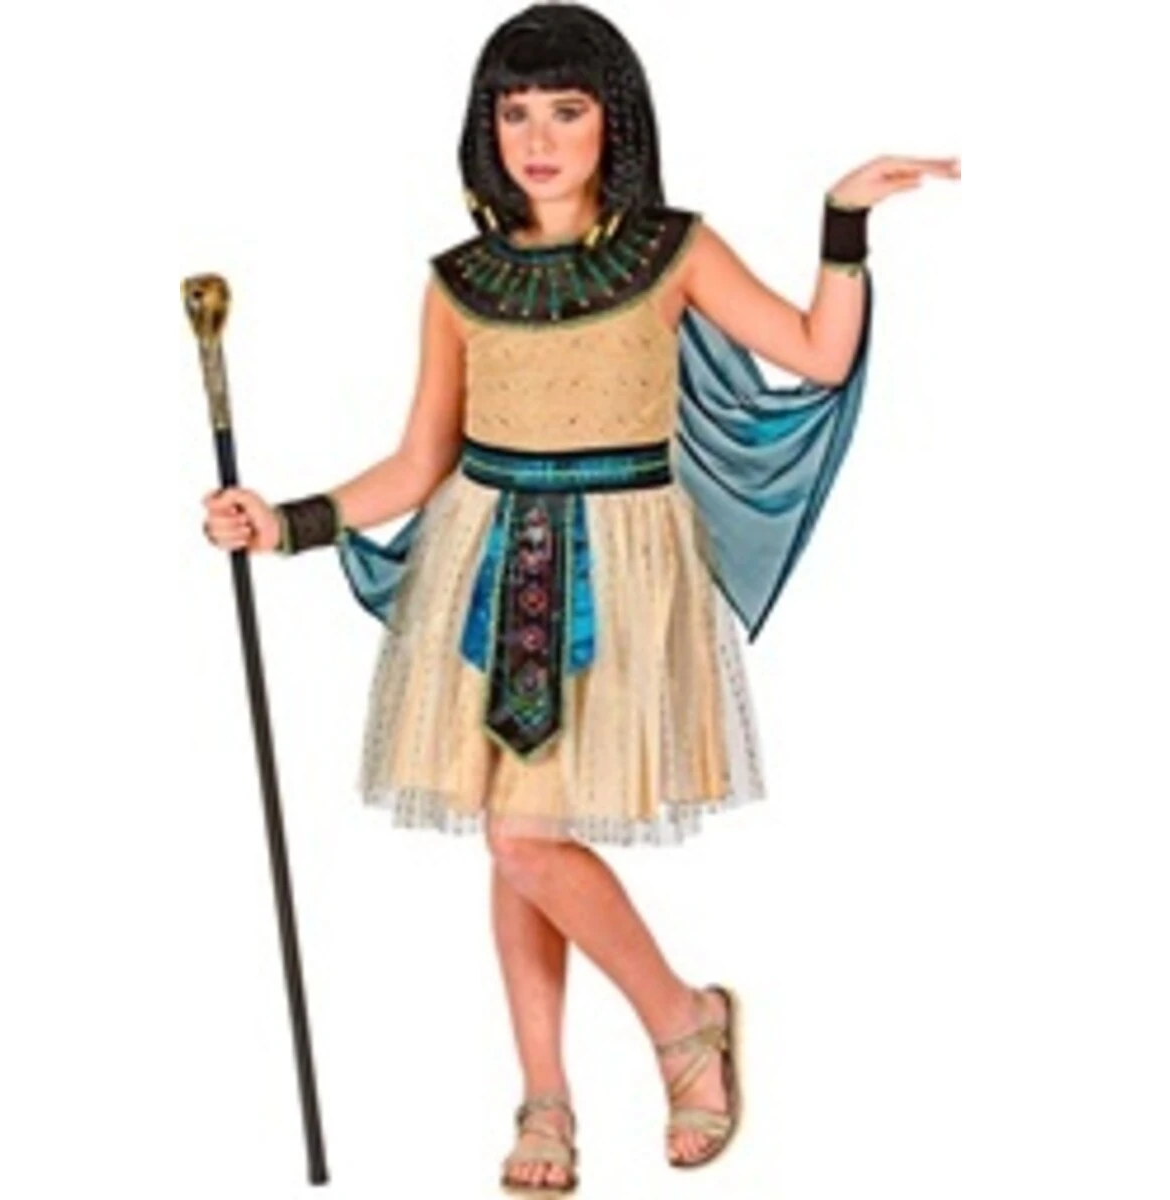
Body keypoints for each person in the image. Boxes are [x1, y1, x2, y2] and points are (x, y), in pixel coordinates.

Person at [201, 3, 957, 1192]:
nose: (539, 138)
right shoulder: (460, 281)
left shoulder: (672, 250)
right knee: (518, 839)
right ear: (485, 126)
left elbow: (817, 351)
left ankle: (682, 1021)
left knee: (525, 839)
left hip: (620, 565)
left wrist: (842, 220)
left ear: (616, 120)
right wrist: (287, 522)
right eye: (515, 113)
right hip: (491, 561)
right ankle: (547, 1097)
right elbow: (420, 460)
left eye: (567, 109)